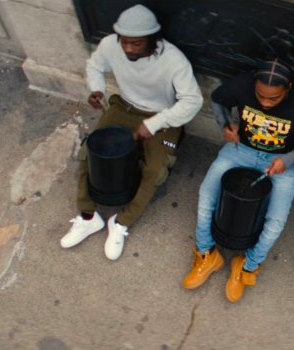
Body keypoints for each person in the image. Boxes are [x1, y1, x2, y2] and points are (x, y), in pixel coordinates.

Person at [59, 4, 203, 260]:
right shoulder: (110, 44)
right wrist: (97, 89)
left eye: (135, 44)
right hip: (124, 106)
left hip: (162, 116)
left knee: (155, 170)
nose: (127, 48)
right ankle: (88, 217)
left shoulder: (173, 59)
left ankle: (121, 222)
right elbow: (94, 65)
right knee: (89, 154)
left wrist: (156, 123)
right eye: (124, 42)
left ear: (152, 39)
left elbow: (193, 101)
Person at [182, 59, 294, 302]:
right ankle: (207, 254)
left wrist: (290, 159)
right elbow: (218, 99)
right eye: (260, 96)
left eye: (273, 98)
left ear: (288, 88)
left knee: (275, 220)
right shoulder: (242, 84)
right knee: (207, 196)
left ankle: (248, 265)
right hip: (241, 149)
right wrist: (225, 124)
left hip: (282, 161)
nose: (265, 102)